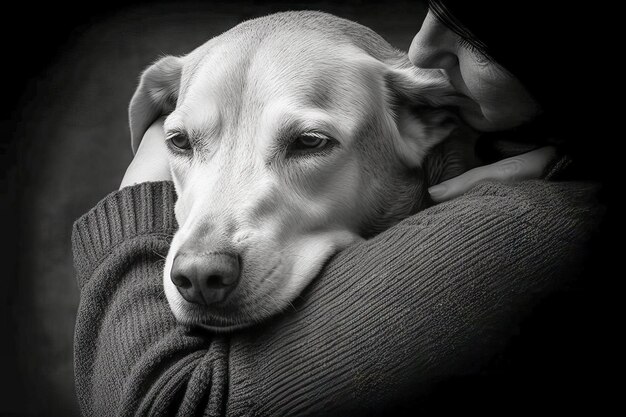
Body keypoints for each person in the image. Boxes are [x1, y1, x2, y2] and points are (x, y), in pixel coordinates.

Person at [73, 2, 607, 415]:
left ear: (426, 119)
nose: (421, 50)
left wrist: (136, 190)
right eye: (186, 143)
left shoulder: (520, 229)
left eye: (306, 143)